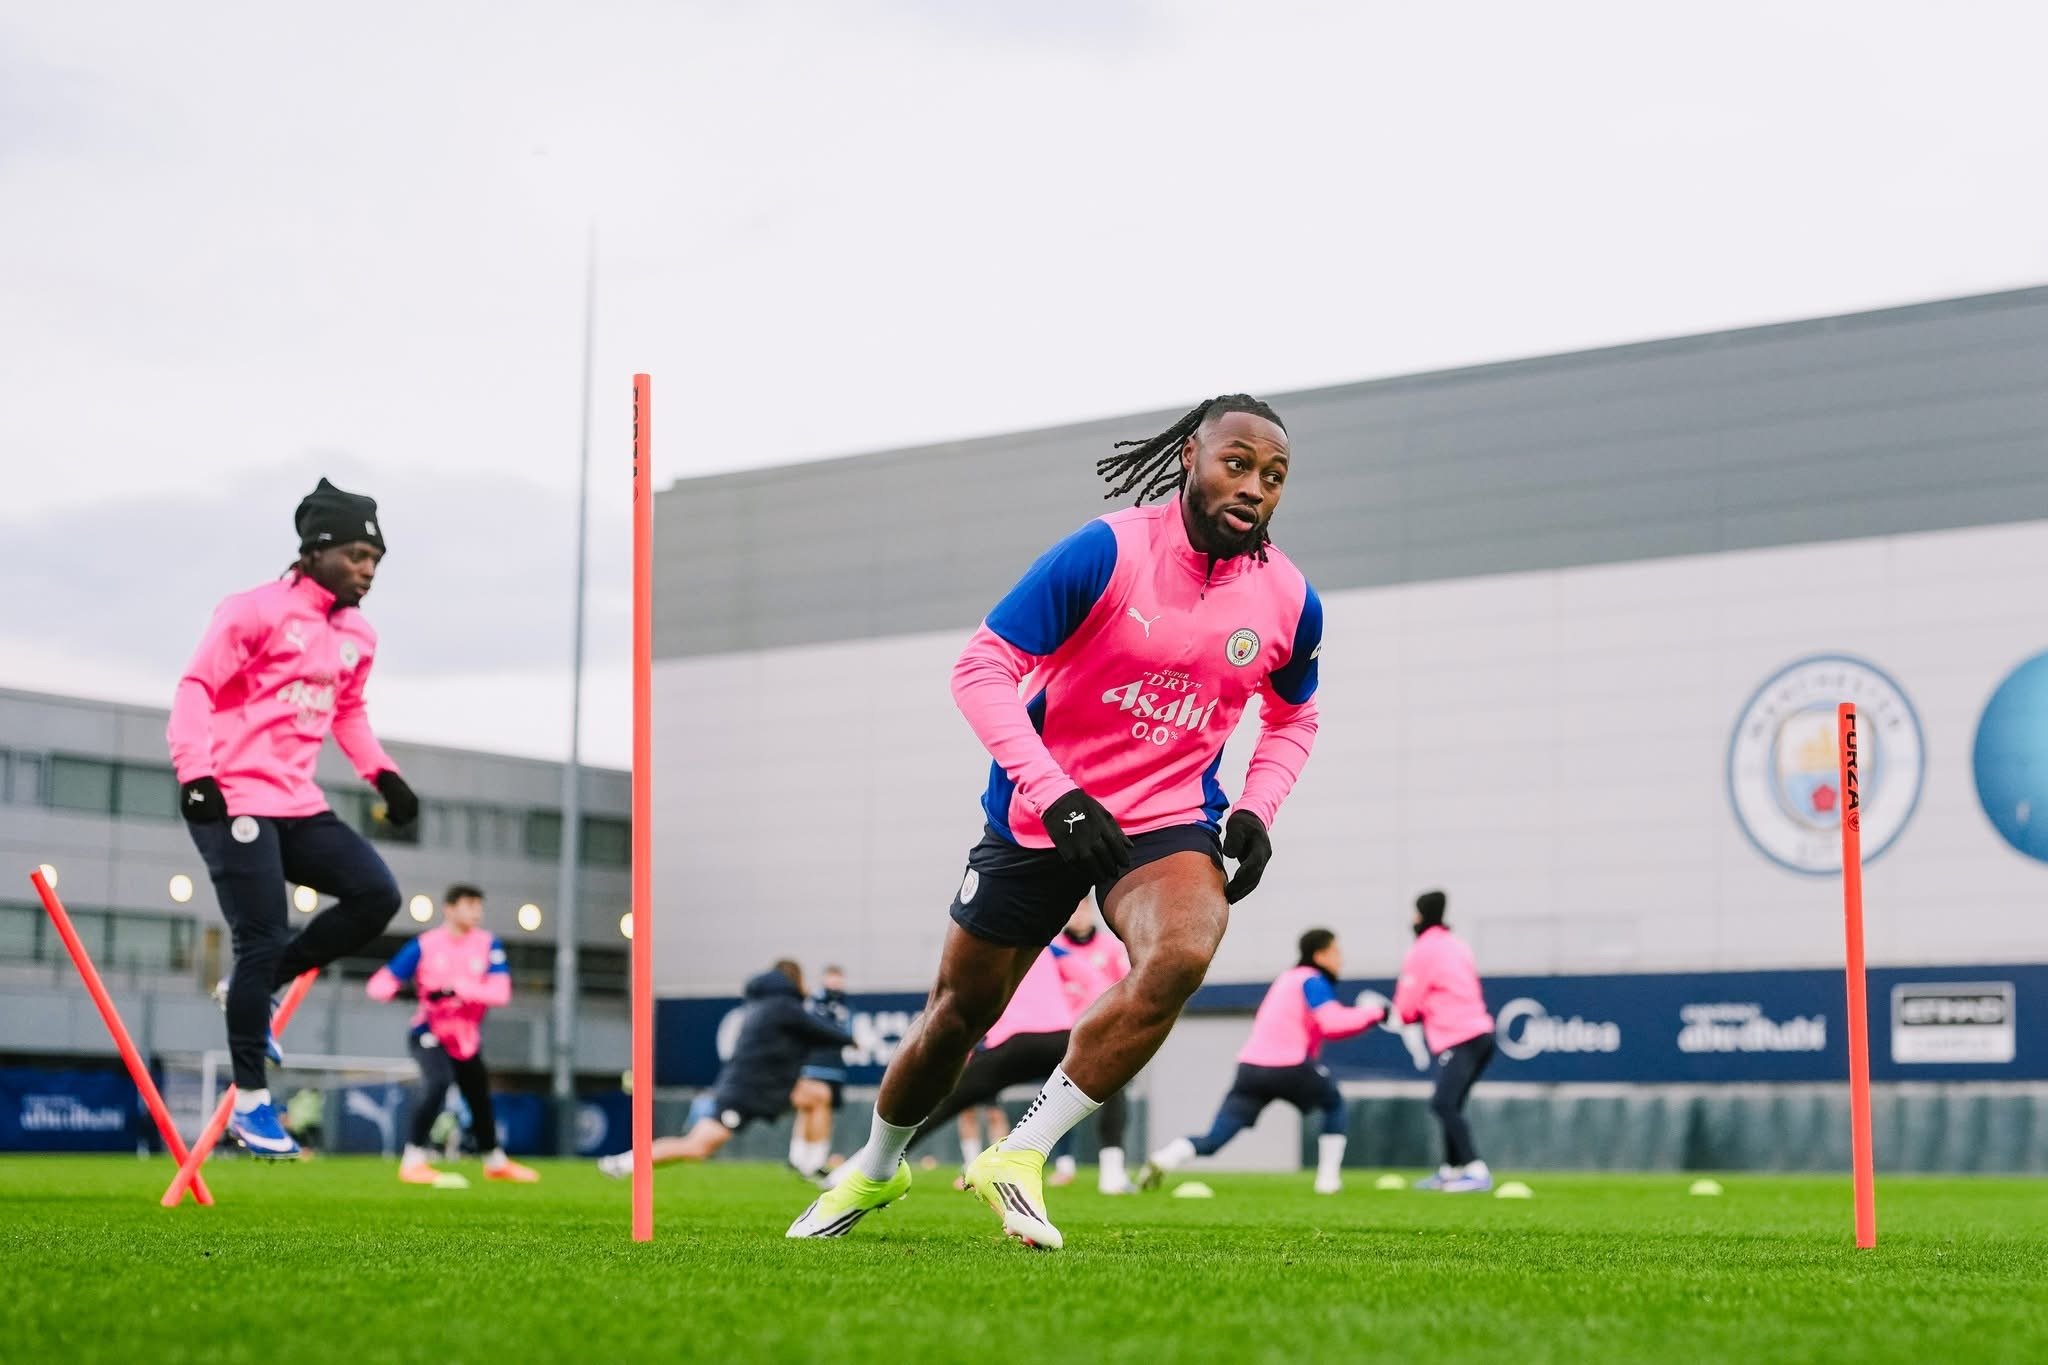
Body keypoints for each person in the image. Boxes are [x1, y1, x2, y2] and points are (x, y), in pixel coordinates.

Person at [789, 394, 1323, 1249]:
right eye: (1237, 462)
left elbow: (1293, 716)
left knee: (1184, 949)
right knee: (957, 1016)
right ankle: (875, 1167)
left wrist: (1259, 806)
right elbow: (981, 668)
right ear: (1190, 456)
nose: (1255, 485)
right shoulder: (1107, 550)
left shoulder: (1291, 598)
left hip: (1166, 815)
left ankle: (1022, 1153)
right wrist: (1054, 791)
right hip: (1044, 810)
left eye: (1274, 475)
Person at [169, 477, 414, 1160]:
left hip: (295, 799)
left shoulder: (358, 635)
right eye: (358, 555)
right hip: (230, 797)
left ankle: (266, 980)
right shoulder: (253, 611)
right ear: (315, 550)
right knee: (260, 932)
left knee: (376, 894)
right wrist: (196, 776)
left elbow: (348, 712)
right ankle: (250, 1104)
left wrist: (383, 773)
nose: (368, 570)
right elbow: (195, 687)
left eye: (377, 559)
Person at [1138, 929, 1382, 1194]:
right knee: (1333, 1103)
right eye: (1336, 952)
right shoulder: (1311, 980)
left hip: (1251, 1069)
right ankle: (1328, 1181)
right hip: (1289, 1066)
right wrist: (1376, 1013)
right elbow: (1332, 1023)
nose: (1341, 960)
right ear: (1320, 955)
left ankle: (1166, 1157)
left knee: (1214, 1138)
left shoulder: (1286, 980)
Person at [602, 960, 854, 1175]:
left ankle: (807, 1164)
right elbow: (821, 1030)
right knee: (696, 1147)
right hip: (750, 1092)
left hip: (768, 1086)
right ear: (794, 980)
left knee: (819, 1096)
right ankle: (624, 1162)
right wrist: (851, 1039)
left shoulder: (764, 1005)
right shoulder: (783, 1006)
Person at [366, 884, 538, 1184]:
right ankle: (413, 1159)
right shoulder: (426, 945)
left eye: (478, 906)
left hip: (466, 1037)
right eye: (469, 905)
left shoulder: (488, 944)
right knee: (438, 1083)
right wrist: (410, 992)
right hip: (429, 1032)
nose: (476, 912)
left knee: (479, 1096)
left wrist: (460, 989)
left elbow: (500, 992)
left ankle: (494, 1161)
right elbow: (378, 985)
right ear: (449, 908)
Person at [1395, 890, 1497, 1192]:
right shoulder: (1457, 945)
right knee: (1452, 1104)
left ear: (1422, 915)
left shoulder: (1422, 950)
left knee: (1443, 1103)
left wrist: (1407, 1013)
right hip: (1482, 1035)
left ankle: (1476, 1170)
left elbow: (1405, 1008)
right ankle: (1451, 1171)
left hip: (1459, 1037)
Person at [1048, 902, 1134, 1192]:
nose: (1078, 916)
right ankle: (1063, 1166)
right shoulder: (1053, 949)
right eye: (1073, 911)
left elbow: (1127, 986)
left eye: (1083, 910)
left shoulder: (1111, 947)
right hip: (1066, 1035)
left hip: (1106, 1034)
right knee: (1059, 1099)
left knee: (1114, 1095)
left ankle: (1112, 1173)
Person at [789, 965, 852, 1178]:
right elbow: (818, 1029)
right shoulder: (815, 1002)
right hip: (813, 1065)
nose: (836, 984)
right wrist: (847, 1039)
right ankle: (809, 1160)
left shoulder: (843, 1005)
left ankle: (805, 1159)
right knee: (813, 1108)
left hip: (833, 1067)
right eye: (832, 980)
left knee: (817, 1110)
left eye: (839, 980)